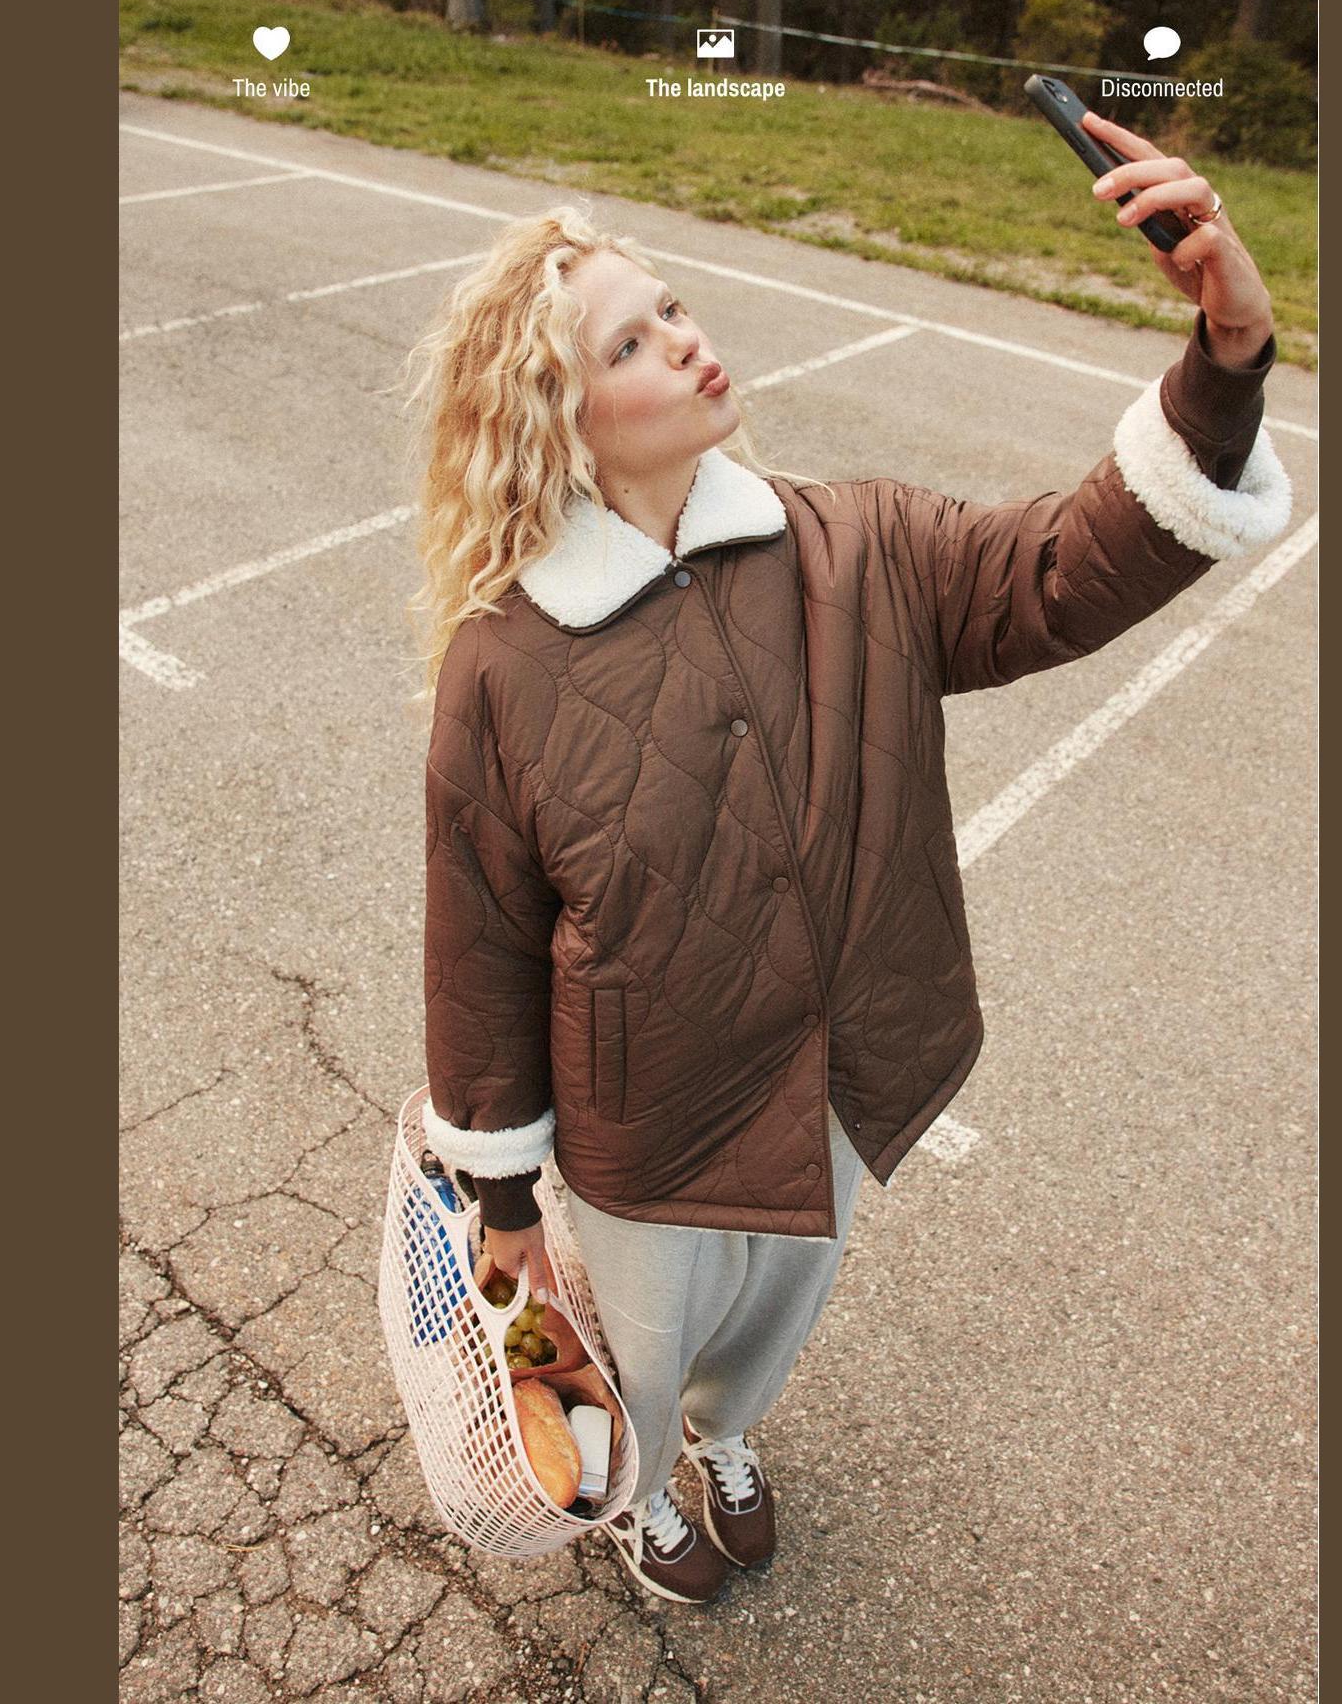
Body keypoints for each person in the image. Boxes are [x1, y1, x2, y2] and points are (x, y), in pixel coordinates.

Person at [404, 112, 1291, 1605]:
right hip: (644, 1129)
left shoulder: (857, 546)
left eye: (673, 307)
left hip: (832, 1076)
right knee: (640, 1347)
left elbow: (1062, 569)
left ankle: (727, 1438)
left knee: (773, 1322)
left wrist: (1230, 353)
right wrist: (501, 1210)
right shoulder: (503, 664)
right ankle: (640, 1497)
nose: (687, 342)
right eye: (631, 344)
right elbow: (477, 943)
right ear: (559, 421)